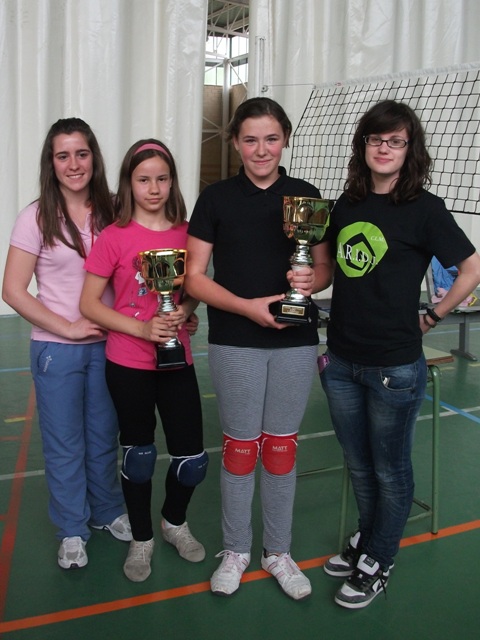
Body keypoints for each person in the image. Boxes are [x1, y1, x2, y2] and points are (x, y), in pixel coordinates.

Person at [319, 100, 480, 609]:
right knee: (359, 465)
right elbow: (329, 269)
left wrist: (433, 317)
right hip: (341, 361)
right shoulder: (345, 204)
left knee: (390, 470)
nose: (384, 149)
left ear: (410, 150)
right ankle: (368, 542)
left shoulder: (425, 209)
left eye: (395, 141)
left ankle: (380, 558)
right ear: (363, 146)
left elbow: (472, 268)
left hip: (394, 366)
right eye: (376, 140)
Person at [185, 97, 333, 600]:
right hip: (235, 342)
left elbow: (325, 269)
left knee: (280, 450)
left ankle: (278, 552)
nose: (261, 149)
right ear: (235, 143)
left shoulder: (306, 195)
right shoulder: (216, 199)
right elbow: (194, 278)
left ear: (285, 139)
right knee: (242, 449)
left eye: (271, 138)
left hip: (295, 342)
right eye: (250, 139)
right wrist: (248, 308)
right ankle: (236, 550)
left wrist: (312, 279)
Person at [2, 118, 131, 570]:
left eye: (81, 153)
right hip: (57, 349)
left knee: (103, 436)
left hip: (111, 345)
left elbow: (136, 275)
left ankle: (109, 511)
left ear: (93, 157)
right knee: (63, 443)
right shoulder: (35, 216)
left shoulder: (116, 210)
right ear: (51, 163)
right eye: (63, 155)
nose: (73, 164)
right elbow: (13, 290)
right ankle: (72, 529)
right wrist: (68, 327)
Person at [79, 139, 208, 583]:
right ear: (129, 184)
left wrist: (185, 313)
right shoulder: (113, 237)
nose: (153, 188)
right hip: (129, 361)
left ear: (172, 182)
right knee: (138, 456)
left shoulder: (187, 234)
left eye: (162, 178)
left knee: (192, 458)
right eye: (143, 179)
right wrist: (142, 328)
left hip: (178, 362)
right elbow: (90, 304)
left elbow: (194, 291)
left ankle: (173, 523)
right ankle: (141, 539)